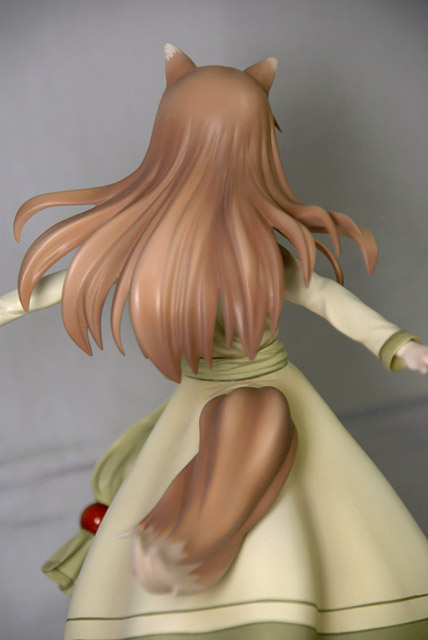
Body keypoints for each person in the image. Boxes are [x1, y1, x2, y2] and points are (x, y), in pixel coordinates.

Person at [2, 44, 427, 639]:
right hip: (204, 398)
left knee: (282, 469)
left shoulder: (259, 247)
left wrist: (397, 345)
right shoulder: (153, 246)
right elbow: (64, 283)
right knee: (251, 441)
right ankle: (180, 549)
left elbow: (325, 296)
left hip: (267, 384)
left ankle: (189, 548)